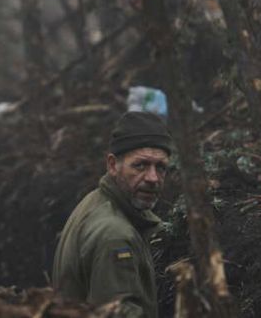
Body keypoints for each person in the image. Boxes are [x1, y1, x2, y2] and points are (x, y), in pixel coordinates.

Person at [52, 111, 173, 317]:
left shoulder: (95, 201)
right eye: (140, 165)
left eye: (160, 167)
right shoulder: (115, 236)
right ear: (112, 165)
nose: (153, 178)